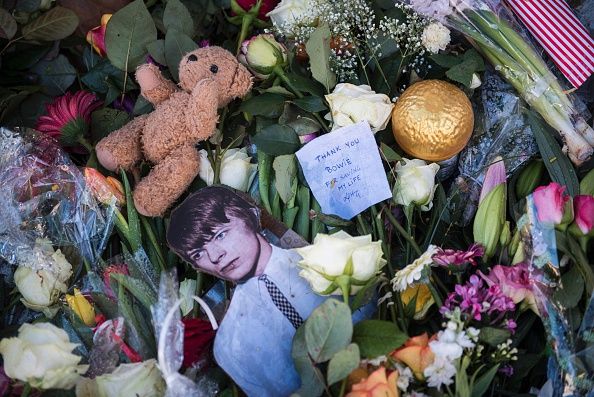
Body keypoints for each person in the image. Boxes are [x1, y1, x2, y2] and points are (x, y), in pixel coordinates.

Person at [167, 187, 375, 396]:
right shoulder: (229, 347)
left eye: (220, 235)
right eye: (198, 253)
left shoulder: (333, 261)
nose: (214, 256)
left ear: (251, 216)